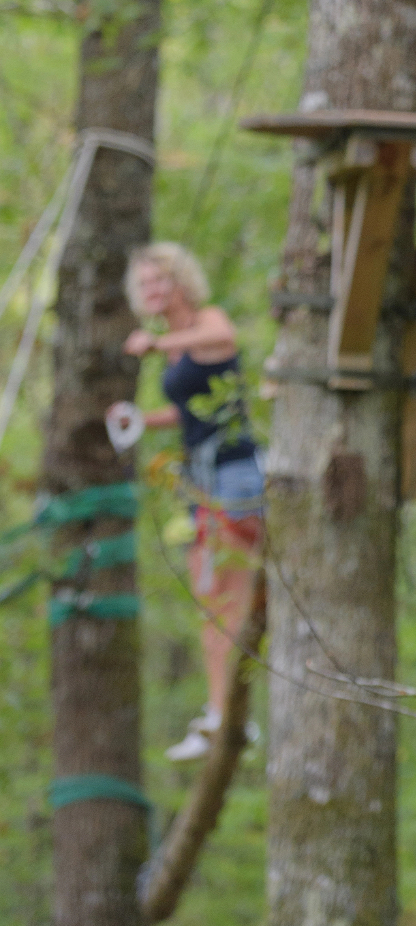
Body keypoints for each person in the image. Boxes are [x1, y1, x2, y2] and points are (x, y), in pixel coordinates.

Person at [123, 241, 265, 761]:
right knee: (212, 605)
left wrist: (157, 346)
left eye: (159, 280)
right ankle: (221, 713)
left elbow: (224, 337)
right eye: (144, 285)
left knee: (225, 598)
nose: (153, 292)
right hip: (203, 478)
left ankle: (231, 719)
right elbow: (192, 413)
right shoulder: (177, 343)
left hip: (234, 474)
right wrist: (142, 421)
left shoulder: (203, 324)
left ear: (181, 281)